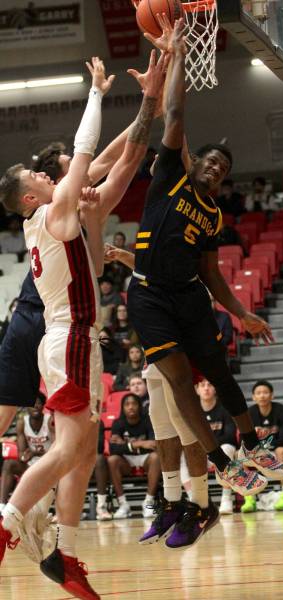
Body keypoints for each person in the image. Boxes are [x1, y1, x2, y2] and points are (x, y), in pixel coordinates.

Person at [0, 52, 166, 595]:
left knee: (86, 446)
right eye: (39, 177)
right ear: (31, 195)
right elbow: (89, 152)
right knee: (70, 449)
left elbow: (119, 162)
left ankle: (64, 554)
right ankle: (8, 523)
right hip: (67, 334)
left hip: (68, 336)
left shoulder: (55, 217)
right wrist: (96, 90)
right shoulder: (52, 211)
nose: (52, 177)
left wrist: (151, 101)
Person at [128, 17, 283, 496]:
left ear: (221, 181)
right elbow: (174, 115)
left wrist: (240, 313)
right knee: (178, 379)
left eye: (223, 168)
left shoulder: (214, 216)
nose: (216, 167)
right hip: (149, 297)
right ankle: (222, 461)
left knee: (218, 371)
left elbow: (211, 273)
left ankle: (249, 442)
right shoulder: (171, 177)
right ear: (196, 163)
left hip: (190, 296)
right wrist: (176, 54)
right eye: (211, 160)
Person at [104, 237, 221, 548]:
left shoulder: (186, 269)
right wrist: (119, 255)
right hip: (155, 354)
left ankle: (200, 505)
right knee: (162, 426)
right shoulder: (155, 268)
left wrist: (124, 257)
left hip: (180, 354)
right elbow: (146, 268)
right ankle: (171, 501)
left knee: (186, 428)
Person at [107, 393, 161, 518]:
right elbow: (113, 449)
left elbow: (154, 445)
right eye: (127, 404)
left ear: (139, 406)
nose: (130, 407)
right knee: (112, 460)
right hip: (126, 460)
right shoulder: (118, 423)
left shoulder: (148, 420)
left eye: (134, 404)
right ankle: (123, 505)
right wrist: (140, 444)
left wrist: (125, 445)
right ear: (123, 407)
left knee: (156, 457)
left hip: (146, 459)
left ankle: (148, 503)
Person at [189, 378, 237, 515]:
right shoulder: (192, 410)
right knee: (184, 455)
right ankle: (196, 499)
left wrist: (207, 445)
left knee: (227, 448)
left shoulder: (224, 409)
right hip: (201, 454)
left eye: (210, 384)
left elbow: (230, 436)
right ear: (197, 390)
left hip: (220, 452)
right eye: (202, 385)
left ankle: (226, 498)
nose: (206, 388)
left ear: (215, 389)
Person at [0, 393, 53, 510]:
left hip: (49, 465)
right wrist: (24, 456)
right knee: (9, 464)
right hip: (31, 465)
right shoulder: (22, 423)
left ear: (43, 405)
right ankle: (2, 506)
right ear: (27, 407)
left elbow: (57, 450)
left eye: (38, 403)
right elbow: (22, 453)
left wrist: (35, 453)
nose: (35, 406)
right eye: (32, 404)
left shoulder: (49, 421)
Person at [247, 380, 283, 512]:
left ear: (272, 395)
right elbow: (245, 440)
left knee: (281, 451)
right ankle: (249, 498)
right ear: (253, 397)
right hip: (258, 452)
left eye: (265, 392)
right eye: (258, 393)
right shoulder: (249, 413)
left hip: (277, 450)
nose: (262, 396)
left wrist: (263, 447)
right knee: (241, 454)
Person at [94, 420, 112, 521]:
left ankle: (101, 507)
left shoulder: (97, 421)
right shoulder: (71, 419)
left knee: (100, 459)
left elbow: (99, 447)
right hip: (76, 459)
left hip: (91, 459)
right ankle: (68, 510)